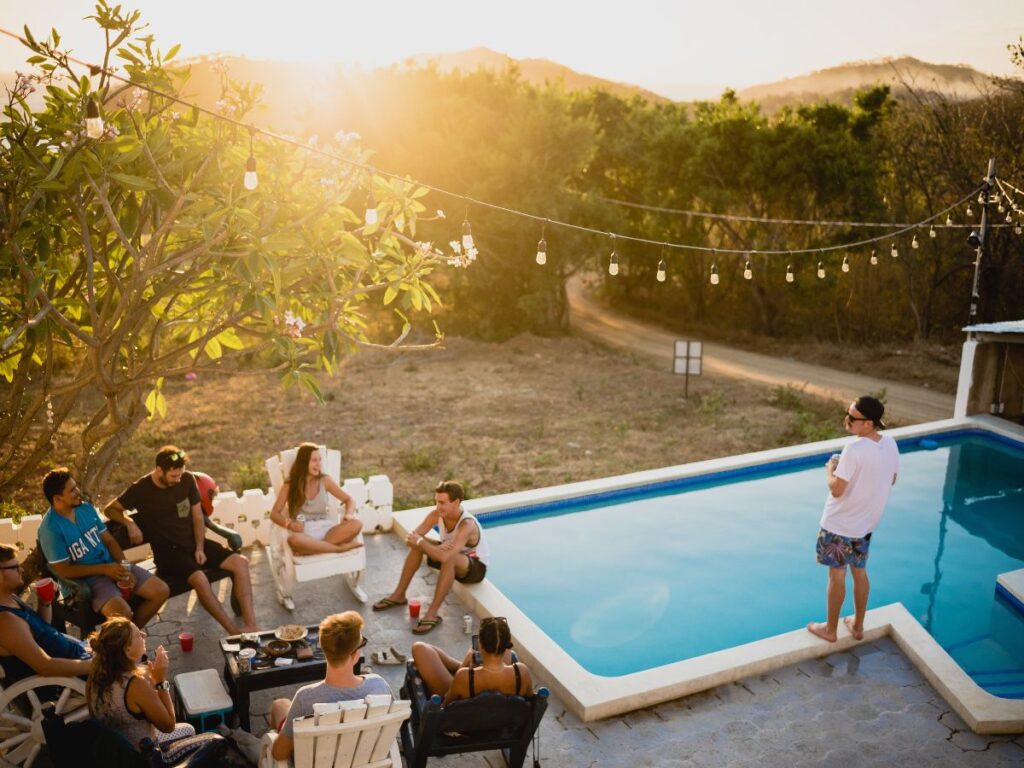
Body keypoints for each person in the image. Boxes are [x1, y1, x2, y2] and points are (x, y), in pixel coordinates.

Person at [103, 446, 259, 634]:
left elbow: (198, 517)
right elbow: (110, 509)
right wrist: (128, 522)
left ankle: (251, 626)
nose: (178, 480)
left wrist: (200, 547)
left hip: (193, 544)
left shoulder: (186, 479)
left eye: (180, 475)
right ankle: (234, 632)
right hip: (168, 554)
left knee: (240, 562)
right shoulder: (141, 489)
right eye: (173, 476)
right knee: (200, 579)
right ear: (159, 470)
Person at [807, 396, 899, 643]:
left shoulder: (854, 449)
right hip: (865, 525)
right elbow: (891, 479)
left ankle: (830, 630)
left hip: (839, 524)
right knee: (859, 571)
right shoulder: (890, 443)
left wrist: (831, 470)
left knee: (837, 574)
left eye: (852, 417)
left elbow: (837, 490)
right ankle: (858, 626)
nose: (847, 420)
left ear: (868, 423)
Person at [38, 468, 169, 627]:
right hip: (87, 583)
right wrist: (104, 569)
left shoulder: (85, 508)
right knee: (124, 614)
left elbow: (110, 542)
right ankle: (124, 638)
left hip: (113, 567)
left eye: (76, 486)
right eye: (72, 490)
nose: (78, 491)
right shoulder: (50, 529)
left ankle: (128, 637)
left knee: (161, 591)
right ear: (58, 498)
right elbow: (63, 570)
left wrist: (125, 567)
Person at [86, 617, 220, 763]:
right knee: (216, 742)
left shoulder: (95, 674)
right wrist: (160, 681)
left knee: (188, 729)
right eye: (138, 635)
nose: (144, 635)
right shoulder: (135, 685)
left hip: (112, 753)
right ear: (127, 649)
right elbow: (169, 726)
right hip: (142, 758)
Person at [268, 611, 390, 763]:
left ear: (324, 650)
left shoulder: (305, 698)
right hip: (363, 759)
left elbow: (279, 754)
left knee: (279, 705)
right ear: (354, 655)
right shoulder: (379, 686)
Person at [372, 480, 489, 635]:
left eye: (442, 503)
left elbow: (446, 555)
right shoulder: (437, 514)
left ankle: (432, 614)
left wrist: (423, 542)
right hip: (449, 555)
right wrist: (427, 544)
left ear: (456, 502)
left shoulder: (466, 524)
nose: (438, 506)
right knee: (418, 546)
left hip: (474, 568)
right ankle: (399, 595)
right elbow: (411, 538)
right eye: (436, 502)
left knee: (447, 556)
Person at [0, 543, 93, 685]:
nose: (22, 569)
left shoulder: (10, 599)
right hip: (69, 681)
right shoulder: (6, 621)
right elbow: (45, 666)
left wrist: (45, 602)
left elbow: (41, 632)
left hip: (79, 659)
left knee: (130, 643)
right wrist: (97, 665)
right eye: (15, 567)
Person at [412, 616, 533, 705]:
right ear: (506, 646)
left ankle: (464, 664)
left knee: (420, 648)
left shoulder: (464, 676)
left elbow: (446, 708)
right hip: (503, 725)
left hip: (465, 728)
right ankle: (470, 664)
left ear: (480, 644)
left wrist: (464, 666)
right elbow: (529, 701)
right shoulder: (522, 672)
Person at [268, 443, 363, 555]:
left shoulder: (325, 480)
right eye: (314, 461)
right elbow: (274, 514)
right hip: (304, 533)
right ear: (303, 463)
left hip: (327, 530)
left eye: (320, 460)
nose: (318, 464)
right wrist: (289, 524)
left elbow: (349, 500)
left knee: (357, 524)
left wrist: (349, 514)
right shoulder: (290, 485)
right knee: (293, 540)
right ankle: (338, 549)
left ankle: (315, 548)